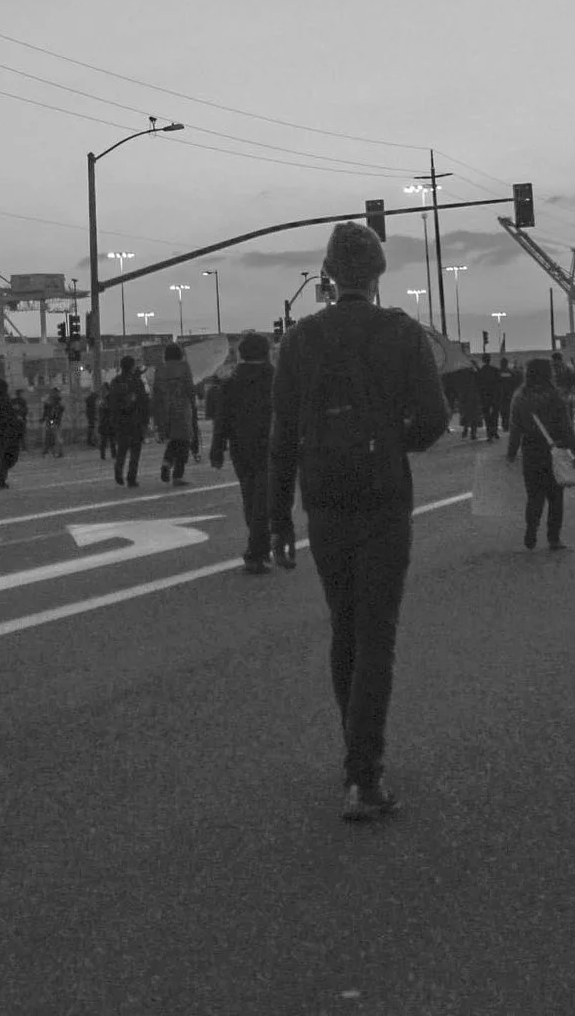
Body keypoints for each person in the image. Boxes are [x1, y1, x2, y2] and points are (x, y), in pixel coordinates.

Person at [269, 222, 450, 822]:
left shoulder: (300, 341)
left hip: (322, 498)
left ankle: (355, 754)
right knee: (378, 631)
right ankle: (363, 773)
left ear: (327, 273)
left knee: (343, 626)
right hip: (382, 495)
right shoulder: (401, 333)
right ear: (376, 274)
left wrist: (276, 517)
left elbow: (280, 434)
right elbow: (433, 419)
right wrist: (393, 443)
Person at [206, 329, 277, 572]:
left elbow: (221, 420)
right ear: (266, 353)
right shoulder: (276, 380)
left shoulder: (230, 384)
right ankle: (257, 549)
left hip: (241, 447)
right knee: (264, 499)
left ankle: (258, 544)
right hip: (270, 446)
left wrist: (217, 449)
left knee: (251, 497)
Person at [507, 356, 575, 552]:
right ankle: (553, 538)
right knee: (555, 497)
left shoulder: (520, 396)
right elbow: (566, 428)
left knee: (534, 496)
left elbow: (514, 429)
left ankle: (531, 530)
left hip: (530, 450)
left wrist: (511, 453)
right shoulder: (555, 396)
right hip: (553, 450)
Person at [153, 343, 199, 484]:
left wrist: (156, 415)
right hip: (182, 409)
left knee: (173, 440)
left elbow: (156, 393)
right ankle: (178, 475)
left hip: (165, 410)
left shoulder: (160, 368)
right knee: (184, 442)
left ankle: (166, 463)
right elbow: (190, 388)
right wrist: (193, 403)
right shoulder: (184, 366)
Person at [102, 357, 150, 487]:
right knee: (135, 451)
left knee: (122, 449)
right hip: (135, 421)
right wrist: (146, 420)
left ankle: (118, 470)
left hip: (121, 421)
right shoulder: (137, 381)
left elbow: (111, 403)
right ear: (132, 366)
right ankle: (131, 477)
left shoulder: (115, 381)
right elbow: (144, 401)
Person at [39, 386, 65, 457]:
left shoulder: (57, 402)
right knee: (50, 435)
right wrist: (44, 419)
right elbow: (47, 412)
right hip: (52, 421)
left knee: (55, 436)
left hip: (54, 421)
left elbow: (55, 414)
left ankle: (57, 452)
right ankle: (51, 451)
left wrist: (51, 422)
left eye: (55, 392)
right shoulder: (51, 402)